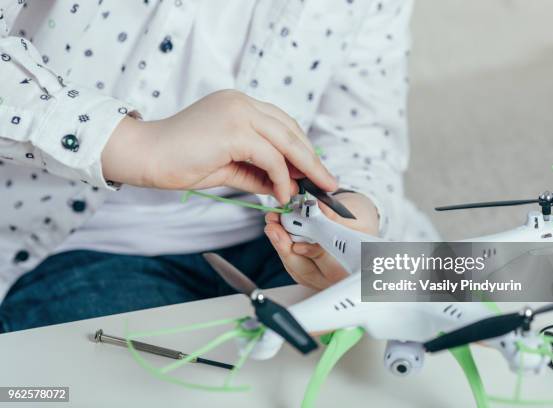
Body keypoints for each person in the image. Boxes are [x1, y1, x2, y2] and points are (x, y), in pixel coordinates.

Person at [0, 0, 432, 333]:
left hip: (290, 234)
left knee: (467, 310)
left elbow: (363, 130)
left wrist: (358, 212)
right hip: (76, 247)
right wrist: (130, 143)